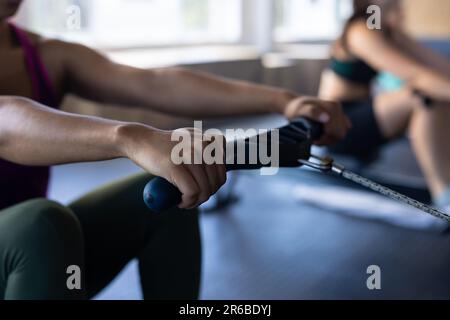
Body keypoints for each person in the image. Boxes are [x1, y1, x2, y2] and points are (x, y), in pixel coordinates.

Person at [0, 1, 350, 299]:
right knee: (41, 224)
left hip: (34, 264)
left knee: (175, 181)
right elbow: (6, 124)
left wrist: (285, 101)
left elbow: (154, 84)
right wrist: (130, 138)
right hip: (32, 242)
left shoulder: (44, 54)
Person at [319, 0, 450, 214]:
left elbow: (439, 66)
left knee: (437, 94)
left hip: (365, 116)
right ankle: (444, 197)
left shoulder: (388, 32)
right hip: (337, 126)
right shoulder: (360, 30)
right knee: (422, 94)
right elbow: (418, 76)